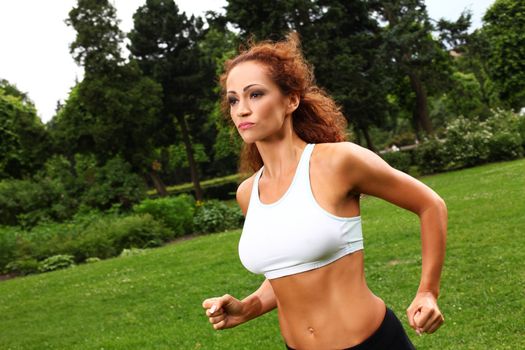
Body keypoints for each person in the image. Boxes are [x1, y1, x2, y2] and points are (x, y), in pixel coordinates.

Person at [202, 33, 447, 350]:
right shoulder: (248, 193)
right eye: (233, 99)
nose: (241, 110)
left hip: (371, 343)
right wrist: (248, 307)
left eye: (256, 95)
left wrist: (428, 290)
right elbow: (289, 269)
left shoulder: (338, 162)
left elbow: (430, 205)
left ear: (291, 100)